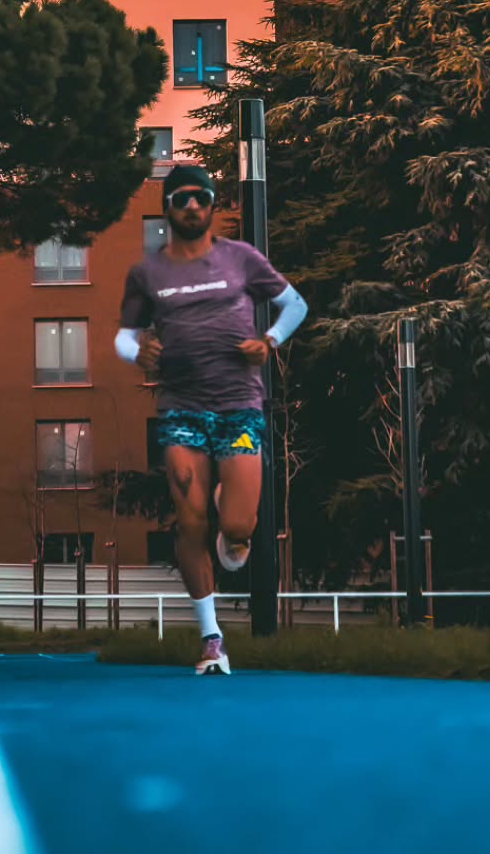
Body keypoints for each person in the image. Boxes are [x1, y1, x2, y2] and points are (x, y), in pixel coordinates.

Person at [115, 162, 308, 675]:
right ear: (168, 208)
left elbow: (296, 305)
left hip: (238, 406)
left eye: (201, 197)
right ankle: (212, 639)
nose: (193, 206)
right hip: (180, 408)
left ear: (213, 203)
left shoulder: (241, 259)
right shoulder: (147, 273)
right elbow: (122, 335)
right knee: (190, 521)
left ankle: (232, 512)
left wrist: (269, 342)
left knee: (239, 528)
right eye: (182, 198)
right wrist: (139, 353)